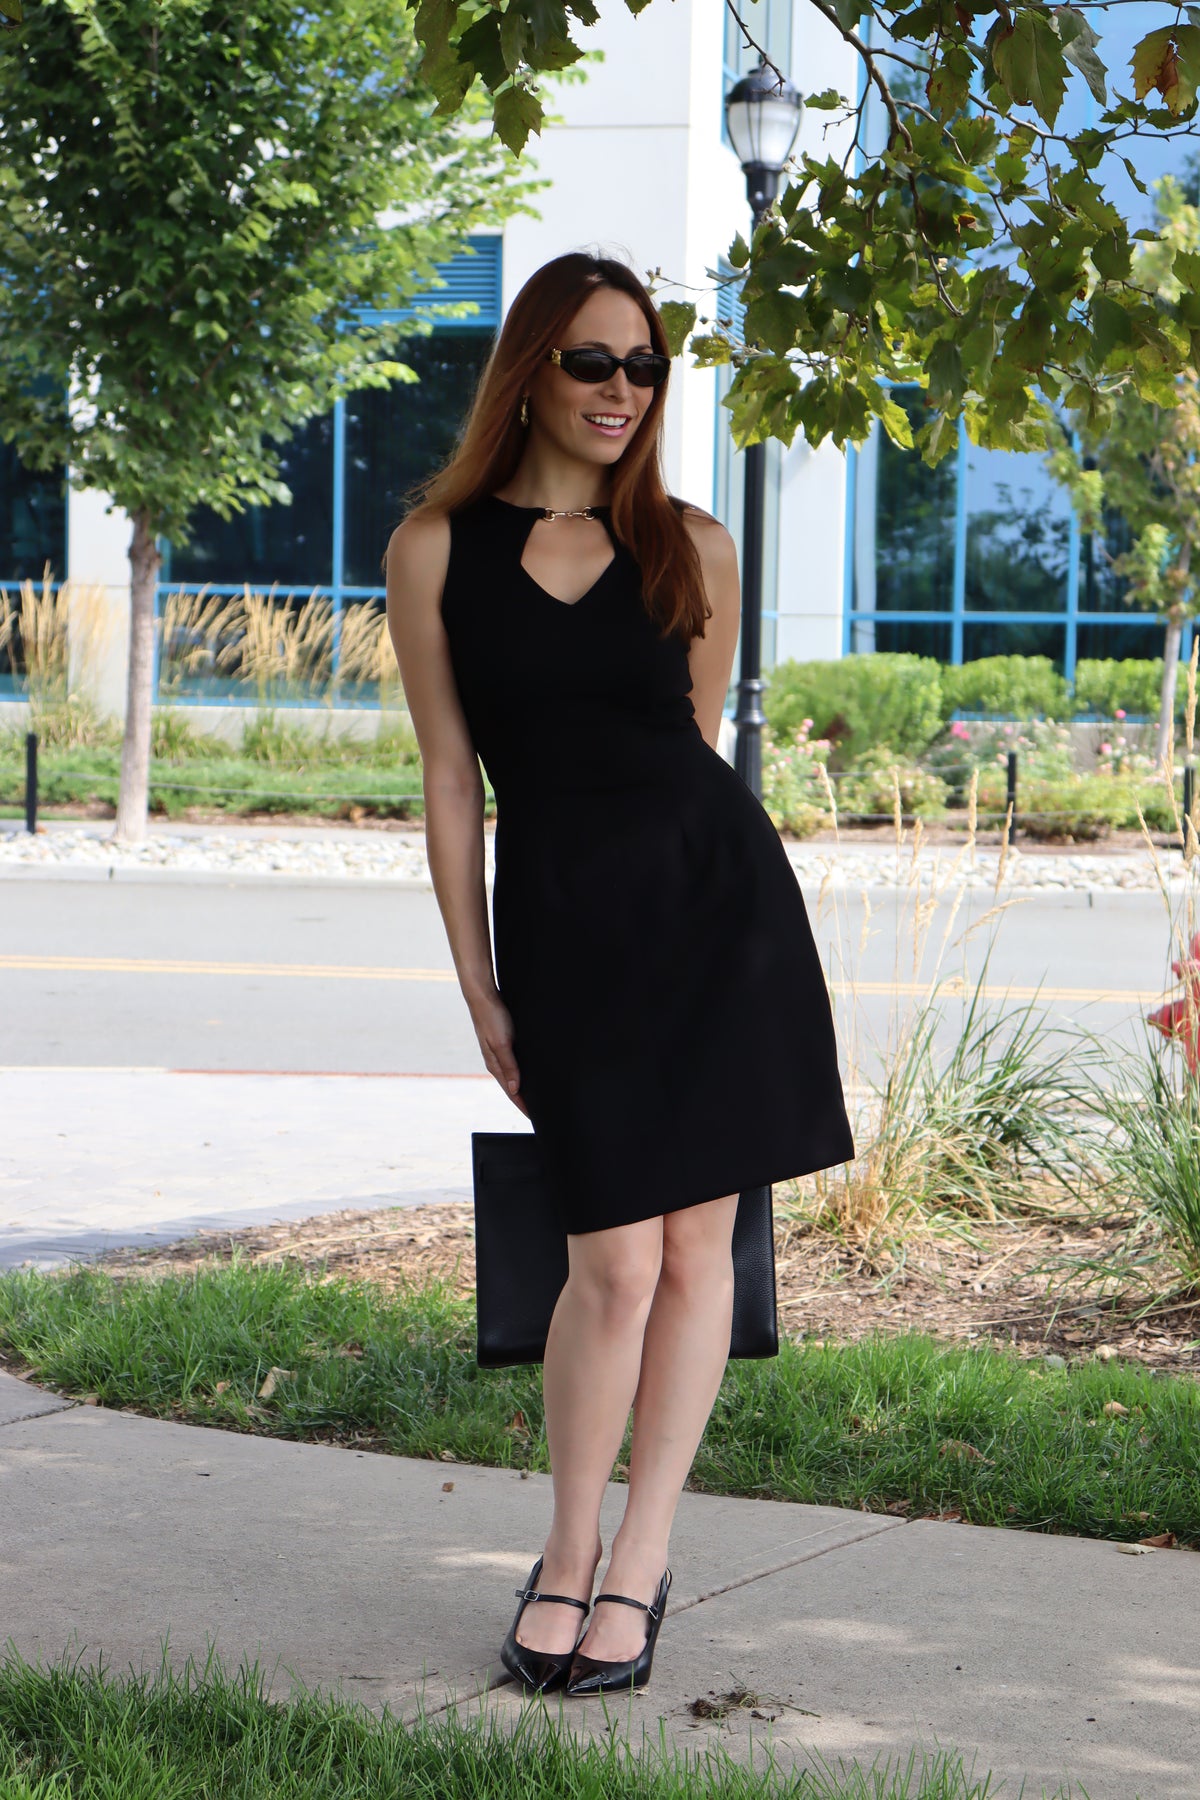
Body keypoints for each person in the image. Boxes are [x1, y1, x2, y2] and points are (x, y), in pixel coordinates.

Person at [385, 251, 854, 1698]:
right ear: (531, 369)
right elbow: (454, 782)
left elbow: (692, 748)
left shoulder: (694, 545)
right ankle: (566, 1548)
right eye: (595, 361)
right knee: (609, 1260)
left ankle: (641, 1559)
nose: (622, 391)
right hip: (569, 932)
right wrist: (479, 980)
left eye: (644, 368)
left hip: (719, 919)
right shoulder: (435, 548)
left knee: (698, 1249)